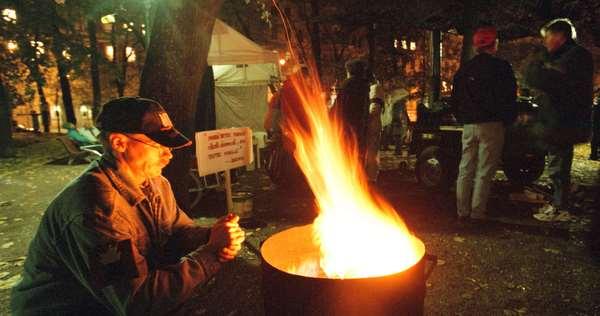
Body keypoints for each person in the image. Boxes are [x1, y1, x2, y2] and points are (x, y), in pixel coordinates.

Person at [11, 97, 245, 315]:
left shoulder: (155, 182)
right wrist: (211, 253)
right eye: (158, 145)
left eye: (170, 146)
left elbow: (177, 231)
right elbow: (136, 301)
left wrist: (211, 235)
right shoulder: (95, 210)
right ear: (119, 143)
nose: (168, 155)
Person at [523, 19, 594, 221]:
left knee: (558, 166)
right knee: (557, 164)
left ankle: (561, 207)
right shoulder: (572, 56)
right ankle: (559, 203)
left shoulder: (573, 58)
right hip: (560, 121)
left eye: (548, 37)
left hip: (563, 122)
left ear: (559, 36)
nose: (545, 42)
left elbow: (544, 80)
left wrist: (539, 61)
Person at [451, 26, 517, 221]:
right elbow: (509, 97)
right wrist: (507, 119)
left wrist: (462, 117)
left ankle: (461, 212)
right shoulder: (502, 68)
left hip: (469, 125)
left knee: (465, 168)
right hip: (492, 124)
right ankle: (477, 213)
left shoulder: (465, 69)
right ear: (493, 44)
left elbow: (456, 99)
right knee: (485, 170)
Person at [331, 59, 370, 163]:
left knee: (346, 152)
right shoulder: (364, 85)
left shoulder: (348, 85)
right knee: (357, 153)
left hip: (347, 124)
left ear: (350, 71)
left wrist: (329, 116)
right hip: (359, 125)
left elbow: (339, 105)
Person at [365, 74, 384, 182]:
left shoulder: (375, 89)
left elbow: (374, 109)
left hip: (372, 126)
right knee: (371, 152)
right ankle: (371, 175)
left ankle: (371, 177)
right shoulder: (374, 89)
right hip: (373, 126)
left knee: (372, 152)